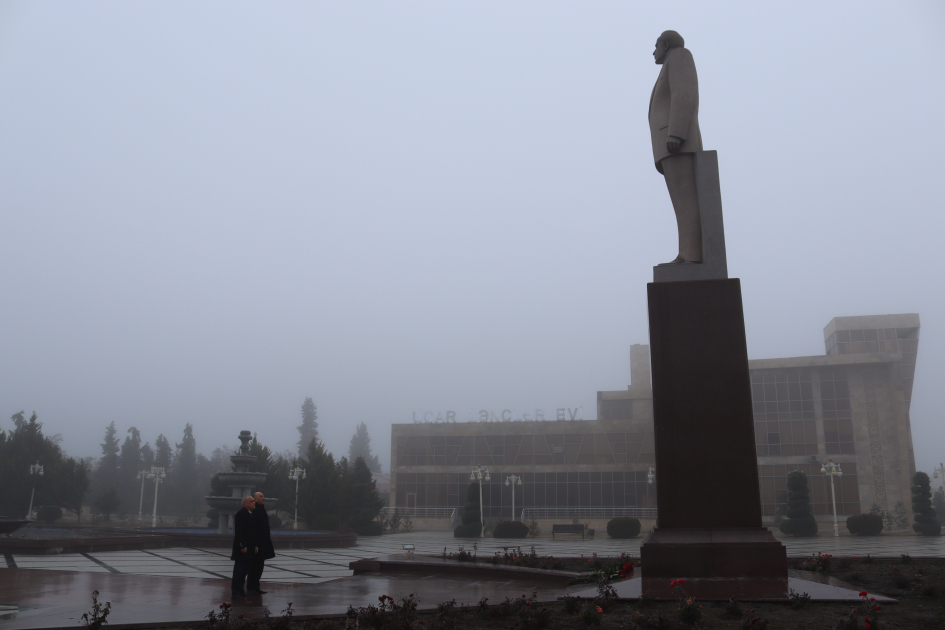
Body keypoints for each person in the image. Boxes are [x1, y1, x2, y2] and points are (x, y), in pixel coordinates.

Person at [648, 30, 704, 265]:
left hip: (677, 143)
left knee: (686, 202)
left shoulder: (680, 56)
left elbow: (684, 93)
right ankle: (687, 252)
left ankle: (691, 255)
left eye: (656, 46)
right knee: (681, 204)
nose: (653, 51)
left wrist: (676, 133)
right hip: (670, 145)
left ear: (666, 44)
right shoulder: (669, 63)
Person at [230, 495, 258, 600]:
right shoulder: (241, 514)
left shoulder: (251, 514)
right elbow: (239, 532)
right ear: (245, 504)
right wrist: (242, 545)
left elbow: (253, 532)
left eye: (254, 501)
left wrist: (255, 545)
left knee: (245, 570)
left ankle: (241, 590)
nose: (254, 502)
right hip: (242, 548)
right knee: (239, 570)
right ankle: (235, 592)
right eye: (251, 501)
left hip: (250, 548)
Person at [247, 491, 275, 595]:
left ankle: (256, 586)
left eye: (263, 496)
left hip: (263, 543)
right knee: (253, 566)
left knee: (259, 566)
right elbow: (253, 529)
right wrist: (255, 544)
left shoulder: (262, 510)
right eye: (261, 496)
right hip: (256, 544)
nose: (263, 498)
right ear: (255, 500)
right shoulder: (254, 511)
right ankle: (250, 588)